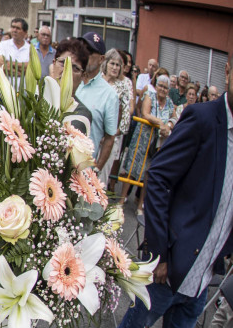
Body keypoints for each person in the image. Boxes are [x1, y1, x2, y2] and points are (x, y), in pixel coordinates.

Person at [88, 62, 233, 328]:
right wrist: (160, 255)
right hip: (168, 273)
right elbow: (158, 179)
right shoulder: (204, 118)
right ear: (228, 71)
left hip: (202, 280)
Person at [118, 74, 177, 215]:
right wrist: (161, 123)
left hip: (156, 144)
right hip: (142, 138)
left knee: (148, 173)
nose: (162, 89)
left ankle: (140, 205)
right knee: (132, 168)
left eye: (165, 87)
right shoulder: (149, 95)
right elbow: (145, 114)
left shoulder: (169, 102)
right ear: (156, 85)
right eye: (160, 85)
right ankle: (121, 200)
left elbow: (175, 117)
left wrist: (169, 124)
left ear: (169, 89)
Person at [75, 32, 118, 175]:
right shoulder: (70, 80)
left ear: (101, 59)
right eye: (82, 48)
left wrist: (97, 168)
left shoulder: (109, 95)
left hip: (83, 171)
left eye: (90, 51)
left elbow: (109, 138)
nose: (84, 54)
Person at [99, 49, 133, 183]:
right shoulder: (96, 81)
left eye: (118, 65)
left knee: (102, 180)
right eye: (112, 63)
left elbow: (126, 118)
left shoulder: (123, 87)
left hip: (111, 139)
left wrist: (111, 135)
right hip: (92, 135)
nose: (114, 67)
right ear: (106, 63)